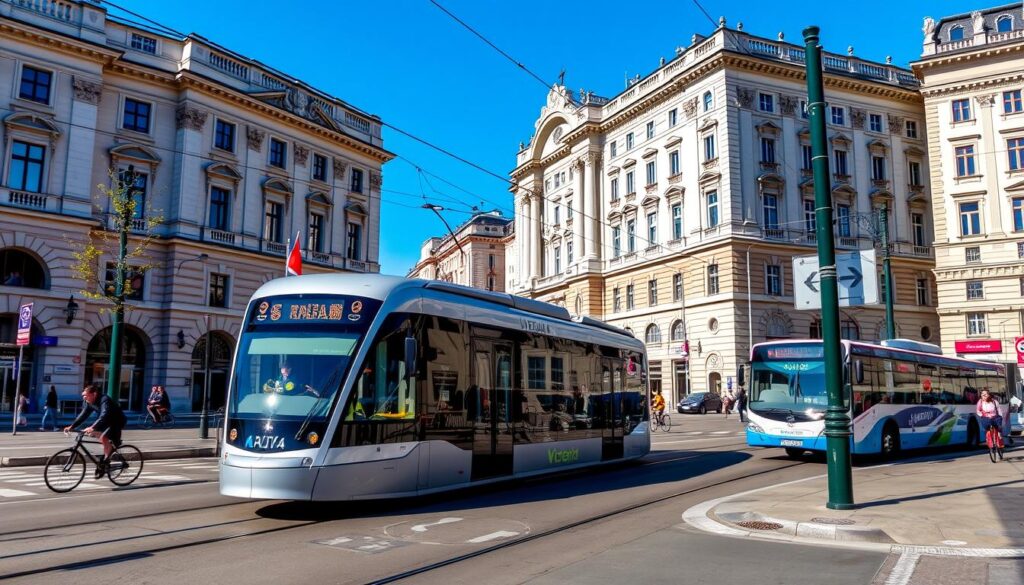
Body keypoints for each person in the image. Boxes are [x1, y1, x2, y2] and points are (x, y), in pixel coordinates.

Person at [65, 384, 127, 479]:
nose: (84, 397)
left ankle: (106, 461)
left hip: (116, 421)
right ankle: (104, 456)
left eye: (86, 395)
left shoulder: (104, 400)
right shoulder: (89, 402)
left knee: (103, 437)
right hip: (105, 421)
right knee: (93, 435)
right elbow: (83, 415)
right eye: (83, 395)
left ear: (94, 394)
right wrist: (72, 426)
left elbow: (104, 414)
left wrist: (93, 427)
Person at [976, 389, 1004, 457]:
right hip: (986, 417)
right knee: (987, 427)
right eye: (982, 394)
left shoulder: (994, 401)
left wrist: (1000, 416)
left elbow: (999, 410)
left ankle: (999, 435)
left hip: (995, 417)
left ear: (989, 395)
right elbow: (978, 410)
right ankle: (991, 444)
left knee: (998, 426)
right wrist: (982, 415)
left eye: (985, 394)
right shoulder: (980, 402)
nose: (984, 396)